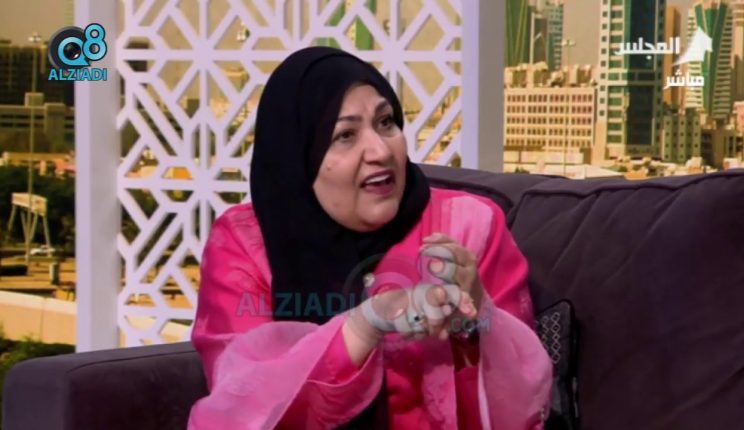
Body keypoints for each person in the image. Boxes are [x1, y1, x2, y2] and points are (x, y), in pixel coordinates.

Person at [188, 47, 552, 429]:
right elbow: (238, 411)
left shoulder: (468, 227)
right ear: (298, 156)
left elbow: (526, 406)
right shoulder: (245, 245)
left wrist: (477, 319)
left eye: (386, 122)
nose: (380, 150)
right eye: (345, 135)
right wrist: (365, 325)